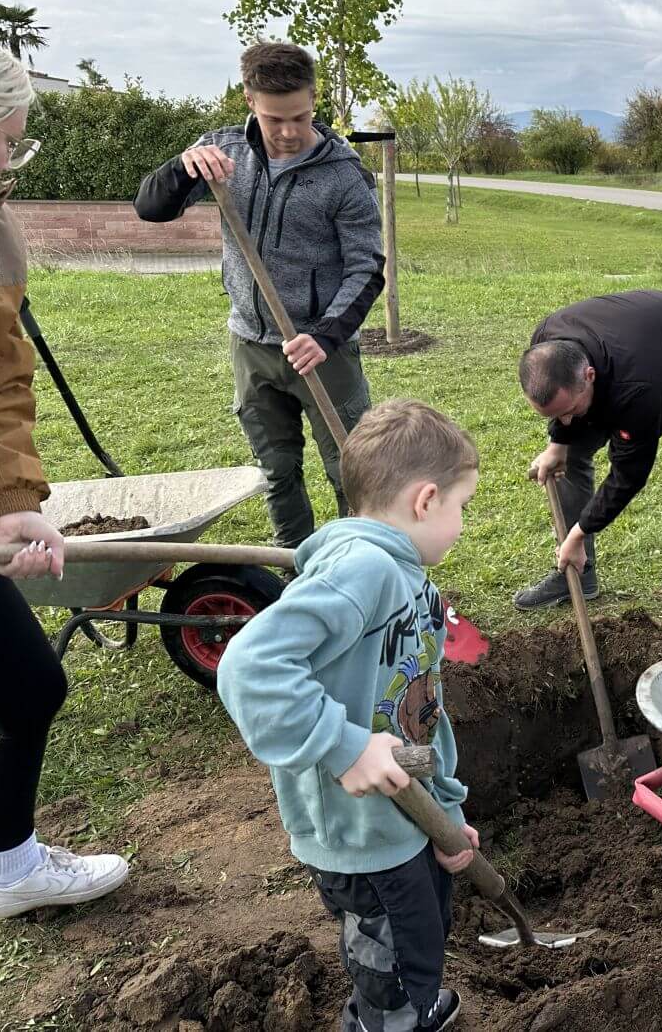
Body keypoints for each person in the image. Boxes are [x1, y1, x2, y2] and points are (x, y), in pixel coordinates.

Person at [0, 15, 130, 918]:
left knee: (25, 683)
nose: (15, 158)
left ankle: (10, 871)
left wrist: (9, 501)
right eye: (6, 140)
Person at [218, 399, 480, 1031]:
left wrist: (446, 813)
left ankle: (411, 1002)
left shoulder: (408, 576)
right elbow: (249, 666)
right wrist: (346, 745)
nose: (463, 524)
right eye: (461, 507)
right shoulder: (362, 571)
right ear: (425, 500)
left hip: (404, 813)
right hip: (359, 832)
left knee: (421, 929)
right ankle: (387, 1020)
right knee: (388, 956)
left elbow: (419, 715)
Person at [135, 42, 383, 548]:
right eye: (275, 119)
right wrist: (184, 167)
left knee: (351, 467)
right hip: (250, 343)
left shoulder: (344, 174)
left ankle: (363, 564)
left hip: (320, 350)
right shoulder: (222, 154)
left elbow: (368, 267)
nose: (289, 132)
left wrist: (326, 335)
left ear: (315, 100)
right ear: (250, 100)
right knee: (277, 470)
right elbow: (151, 209)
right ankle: (295, 568)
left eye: (300, 115)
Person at [516, 290, 662, 630]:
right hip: (656, 356)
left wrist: (578, 533)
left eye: (569, 412)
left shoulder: (634, 385)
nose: (566, 421)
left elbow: (628, 475)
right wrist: (558, 442)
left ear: (589, 376)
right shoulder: (546, 345)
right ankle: (579, 576)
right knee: (570, 454)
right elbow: (566, 419)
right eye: (555, 416)